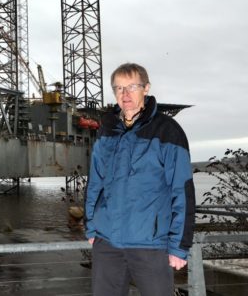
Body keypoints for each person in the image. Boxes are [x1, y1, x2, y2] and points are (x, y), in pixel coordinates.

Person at [84, 63, 195, 295]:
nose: (125, 94)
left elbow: (182, 190)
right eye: (119, 88)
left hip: (150, 244)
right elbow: (95, 182)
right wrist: (92, 227)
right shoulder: (107, 129)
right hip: (107, 243)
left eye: (132, 87)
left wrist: (179, 246)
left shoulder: (167, 130)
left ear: (146, 88)